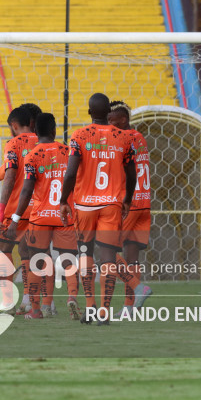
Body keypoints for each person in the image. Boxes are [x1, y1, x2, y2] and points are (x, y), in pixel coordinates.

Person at [59, 93, 148, 325]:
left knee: (85, 254)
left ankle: (90, 306)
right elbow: (132, 174)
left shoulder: (79, 136)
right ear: (108, 112)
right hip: (111, 205)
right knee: (108, 257)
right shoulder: (124, 137)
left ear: (89, 112)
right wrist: (127, 199)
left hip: (84, 206)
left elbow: (70, 173)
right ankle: (104, 312)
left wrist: (63, 200)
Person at [6, 113, 81, 320]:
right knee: (68, 259)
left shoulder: (32, 155)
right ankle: (71, 297)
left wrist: (15, 218)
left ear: (36, 131)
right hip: (64, 214)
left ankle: (37, 309)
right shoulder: (68, 152)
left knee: (37, 262)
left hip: (40, 217)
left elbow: (27, 190)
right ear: (54, 130)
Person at [0, 106, 39, 316]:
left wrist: (1, 212)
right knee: (29, 253)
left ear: (14, 125)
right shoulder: (44, 142)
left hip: (15, 209)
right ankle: (29, 301)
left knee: (3, 251)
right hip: (38, 210)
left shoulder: (13, 144)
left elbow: (9, 177)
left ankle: (7, 303)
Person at [108, 100, 153, 317]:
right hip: (144, 202)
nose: (109, 125)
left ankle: (138, 287)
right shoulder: (139, 137)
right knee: (131, 256)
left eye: (112, 121)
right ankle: (130, 307)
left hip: (130, 202)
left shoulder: (122, 139)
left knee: (106, 250)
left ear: (124, 120)